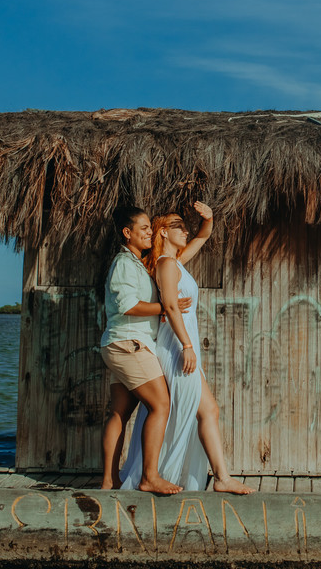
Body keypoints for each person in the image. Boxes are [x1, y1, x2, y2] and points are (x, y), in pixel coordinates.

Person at [120, 202, 253, 494]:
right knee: (207, 410)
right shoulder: (166, 265)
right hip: (176, 346)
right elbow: (169, 306)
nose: (186, 230)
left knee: (206, 410)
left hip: (182, 344)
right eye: (179, 226)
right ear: (164, 232)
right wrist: (187, 345)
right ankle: (219, 478)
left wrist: (210, 218)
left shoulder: (176, 261)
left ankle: (219, 477)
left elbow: (202, 237)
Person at [98, 205, 191, 494]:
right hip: (129, 344)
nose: (150, 233)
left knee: (119, 413)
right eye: (144, 229)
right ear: (128, 233)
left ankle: (108, 481)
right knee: (161, 404)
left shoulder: (138, 263)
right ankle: (150, 477)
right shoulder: (125, 263)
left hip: (122, 343)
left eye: (151, 228)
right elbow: (127, 305)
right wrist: (165, 307)